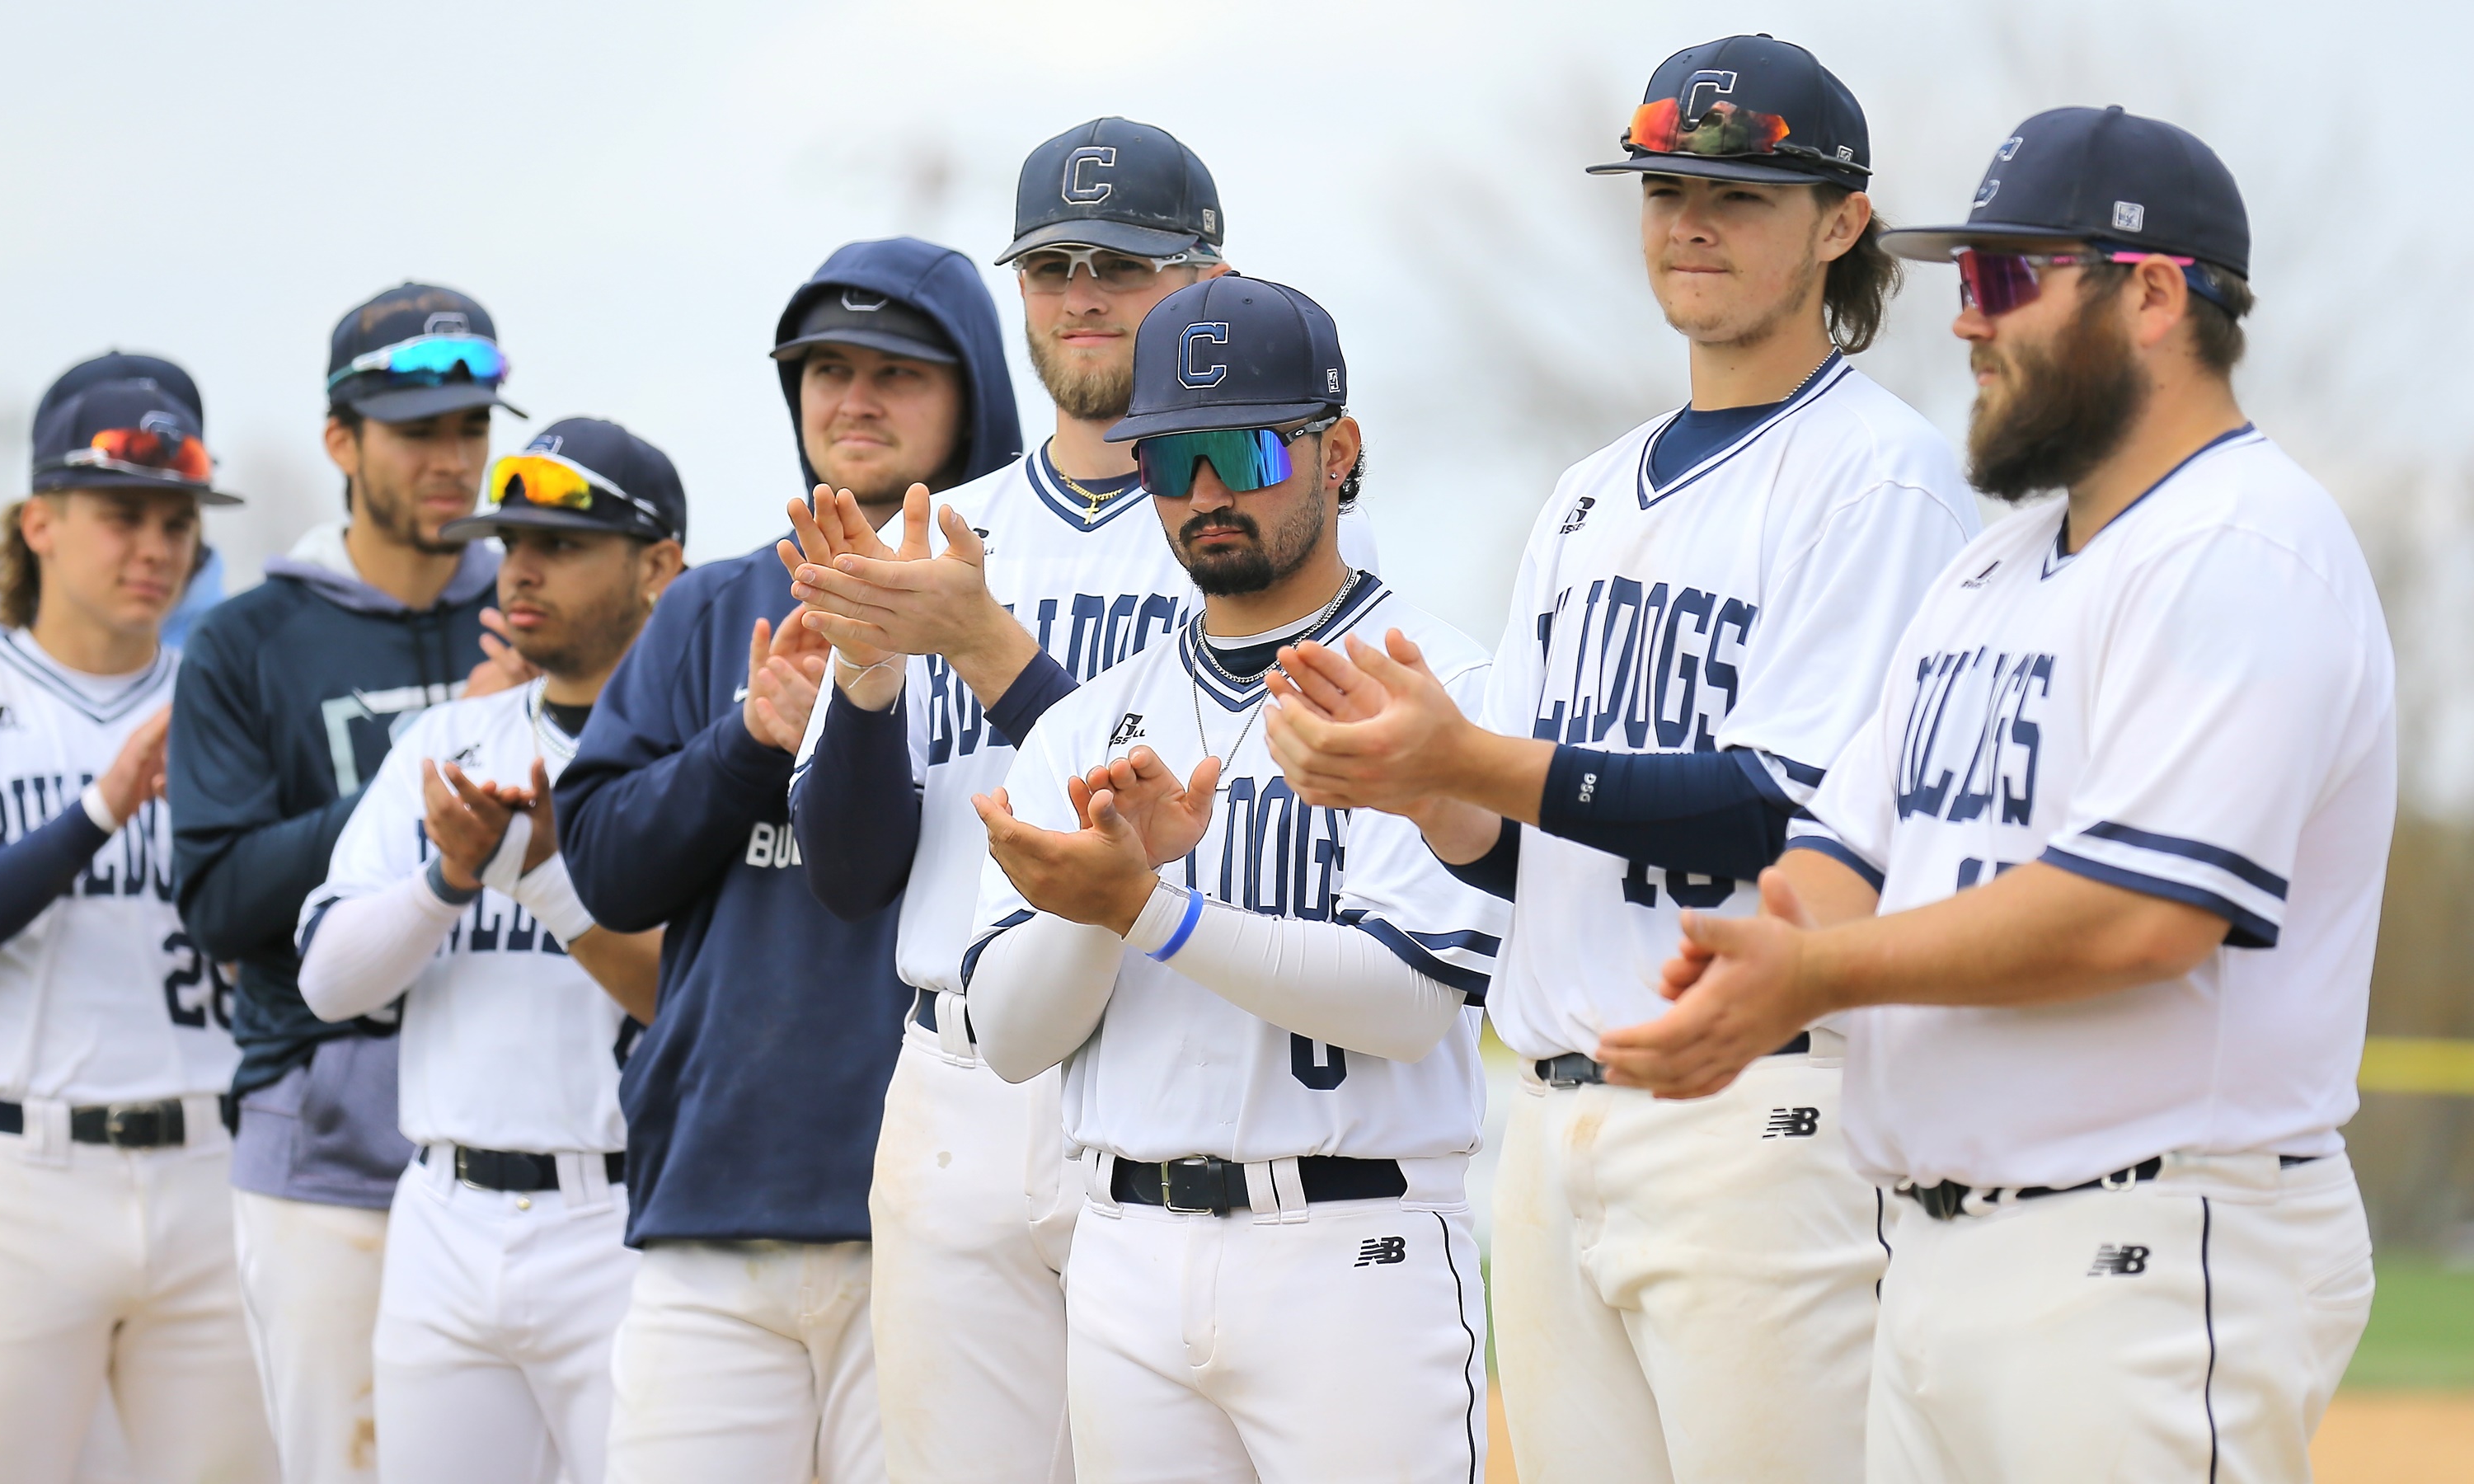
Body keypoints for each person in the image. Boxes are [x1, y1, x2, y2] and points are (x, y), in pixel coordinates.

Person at [1621, 106, 2388, 1483]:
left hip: (2144, 1252)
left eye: (2003, 280)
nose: (1965, 323)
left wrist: (1814, 972)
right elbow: (1848, 844)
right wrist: (1768, 951)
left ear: (2152, 295)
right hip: (1936, 1257)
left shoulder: (2244, 547)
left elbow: (2137, 918)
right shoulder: (1991, 572)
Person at [1256, 36, 1979, 1482]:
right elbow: (1532, 842)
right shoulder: (1590, 494)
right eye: (1664, 186)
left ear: (1841, 225)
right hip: (1557, 1118)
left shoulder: (1877, 476)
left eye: (1739, 190)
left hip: (1758, 1121)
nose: (1690, 219)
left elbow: (1788, 819)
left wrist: (1481, 761)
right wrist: (1430, 787)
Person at [782, 119, 1369, 1483]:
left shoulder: (1276, 521)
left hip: (1184, 1063)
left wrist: (986, 647)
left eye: (1123, 263)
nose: (1083, 295)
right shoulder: (937, 525)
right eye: (1050, 267)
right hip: (959, 1072)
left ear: (1209, 280)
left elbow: (1251, 804)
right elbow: (848, 874)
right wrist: (867, 677)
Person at [964, 275, 1501, 1482]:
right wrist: (1104, 906)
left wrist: (1146, 908)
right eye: (1172, 458)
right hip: (1125, 1252)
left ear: (1336, 451)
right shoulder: (1092, 718)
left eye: (1245, 447)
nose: (1208, 492)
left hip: (1350, 1251)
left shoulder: (1433, 683)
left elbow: (1409, 1003)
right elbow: (1006, 1036)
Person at [554, 236, 1018, 1482]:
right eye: (825, 368)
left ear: (973, 388)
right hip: (714, 1206)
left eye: (896, 371)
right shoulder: (710, 610)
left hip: (941, 1219)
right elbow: (601, 867)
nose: (853, 398)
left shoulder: (1015, 608)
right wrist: (752, 738)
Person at [0, 375, 275, 1483]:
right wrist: (93, 815)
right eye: (120, 516)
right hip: (15, 1176)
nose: (156, 547)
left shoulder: (230, 707)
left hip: (210, 1168)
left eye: (176, 523)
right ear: (38, 524)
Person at [170, 283, 516, 1484]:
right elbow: (216, 897)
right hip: (327, 1145)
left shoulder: (542, 606)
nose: (452, 460)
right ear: (339, 442)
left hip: (521, 1125)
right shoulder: (247, 642)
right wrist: (428, 768)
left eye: (471, 429)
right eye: (417, 432)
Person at [296, 418, 682, 1484]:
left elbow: (685, 1000)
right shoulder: (446, 745)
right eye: (511, 545)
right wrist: (446, 878)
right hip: (442, 1213)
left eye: (561, 544)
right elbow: (328, 980)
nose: (522, 571)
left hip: (623, 1218)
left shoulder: (701, 745)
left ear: (657, 566)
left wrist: (541, 878)